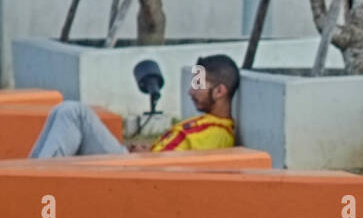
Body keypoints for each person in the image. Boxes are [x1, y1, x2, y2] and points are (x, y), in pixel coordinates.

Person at [28, 53, 239, 158]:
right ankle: (30, 174)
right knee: (62, 110)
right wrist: (150, 149)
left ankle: (37, 181)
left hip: (135, 171)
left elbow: (177, 168)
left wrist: (148, 156)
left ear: (220, 91)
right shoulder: (207, 126)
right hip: (137, 162)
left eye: (198, 85)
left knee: (74, 113)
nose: (190, 92)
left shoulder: (214, 133)